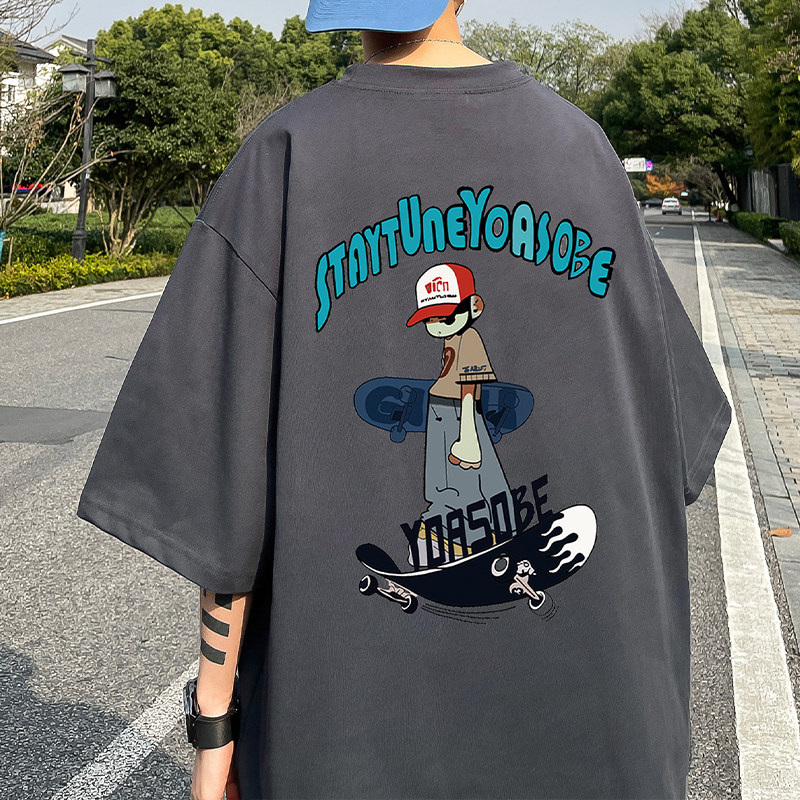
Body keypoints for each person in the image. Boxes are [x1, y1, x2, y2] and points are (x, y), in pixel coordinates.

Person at [75, 1, 732, 798]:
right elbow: (678, 437)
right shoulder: (582, 149)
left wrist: (214, 730)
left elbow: (218, 503)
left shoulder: (286, 154)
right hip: (603, 744)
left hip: (350, 750)